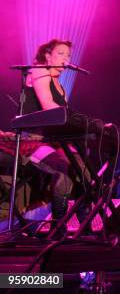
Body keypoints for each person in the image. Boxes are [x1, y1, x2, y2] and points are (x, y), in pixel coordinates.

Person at [22, 39, 89, 236]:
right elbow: (48, 107)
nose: (66, 59)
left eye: (68, 55)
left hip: (51, 140)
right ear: (48, 55)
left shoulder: (61, 87)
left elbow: (61, 117)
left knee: (83, 169)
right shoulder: (38, 70)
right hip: (31, 140)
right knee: (63, 167)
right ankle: (59, 227)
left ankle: (85, 224)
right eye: (61, 53)